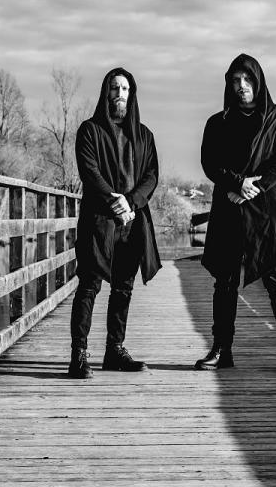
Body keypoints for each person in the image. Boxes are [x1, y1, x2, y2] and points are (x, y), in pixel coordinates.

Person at [194, 53, 276, 374]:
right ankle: (221, 350)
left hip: (266, 214)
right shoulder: (217, 123)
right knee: (225, 283)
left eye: (247, 79)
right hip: (229, 210)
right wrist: (236, 183)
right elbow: (210, 162)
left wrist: (254, 186)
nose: (242, 85)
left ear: (258, 82)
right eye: (236, 80)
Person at [68, 67, 161, 379]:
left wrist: (131, 202)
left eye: (125, 89)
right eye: (114, 88)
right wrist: (114, 200)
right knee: (89, 285)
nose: (119, 94)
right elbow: (89, 171)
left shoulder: (144, 135)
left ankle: (114, 350)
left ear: (131, 94)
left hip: (133, 222)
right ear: (105, 92)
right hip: (99, 221)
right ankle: (79, 354)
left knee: (123, 287)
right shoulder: (90, 130)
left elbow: (151, 176)